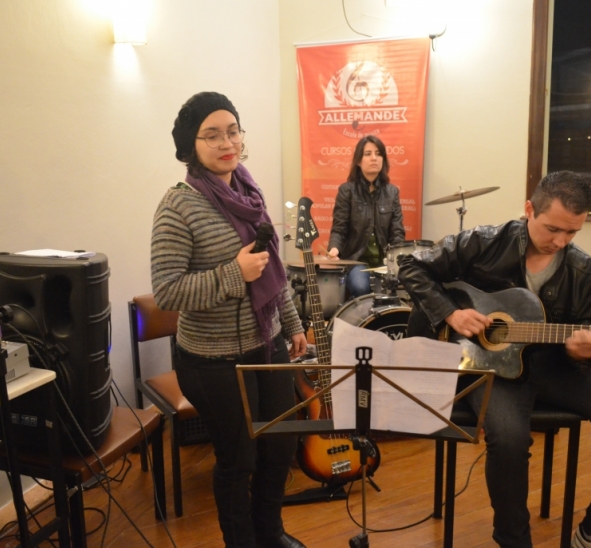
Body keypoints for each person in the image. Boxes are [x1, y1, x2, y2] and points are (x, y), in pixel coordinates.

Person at [398, 171, 591, 548]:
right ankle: (513, 541)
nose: (560, 241)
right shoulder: (484, 242)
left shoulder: (585, 271)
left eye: (572, 233)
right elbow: (411, 265)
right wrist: (450, 313)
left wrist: (586, 353)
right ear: (529, 210)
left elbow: (586, 330)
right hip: (488, 365)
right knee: (508, 439)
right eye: (552, 228)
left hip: (555, 366)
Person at [151, 91, 307, 548]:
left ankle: (271, 533)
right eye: (213, 134)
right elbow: (167, 291)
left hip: (268, 343)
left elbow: (273, 271)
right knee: (239, 460)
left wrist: (293, 325)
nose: (227, 142)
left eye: (233, 130)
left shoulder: (250, 190)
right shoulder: (178, 206)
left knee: (280, 448)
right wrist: (232, 274)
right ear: (191, 145)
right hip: (212, 359)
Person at [327, 135, 405, 297]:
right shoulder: (346, 191)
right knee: (361, 287)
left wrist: (397, 261)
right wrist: (334, 249)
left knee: (405, 284)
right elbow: (339, 229)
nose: (374, 158)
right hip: (357, 261)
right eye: (367, 154)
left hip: (385, 262)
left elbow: (397, 232)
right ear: (358, 160)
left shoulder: (392, 192)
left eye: (378, 153)